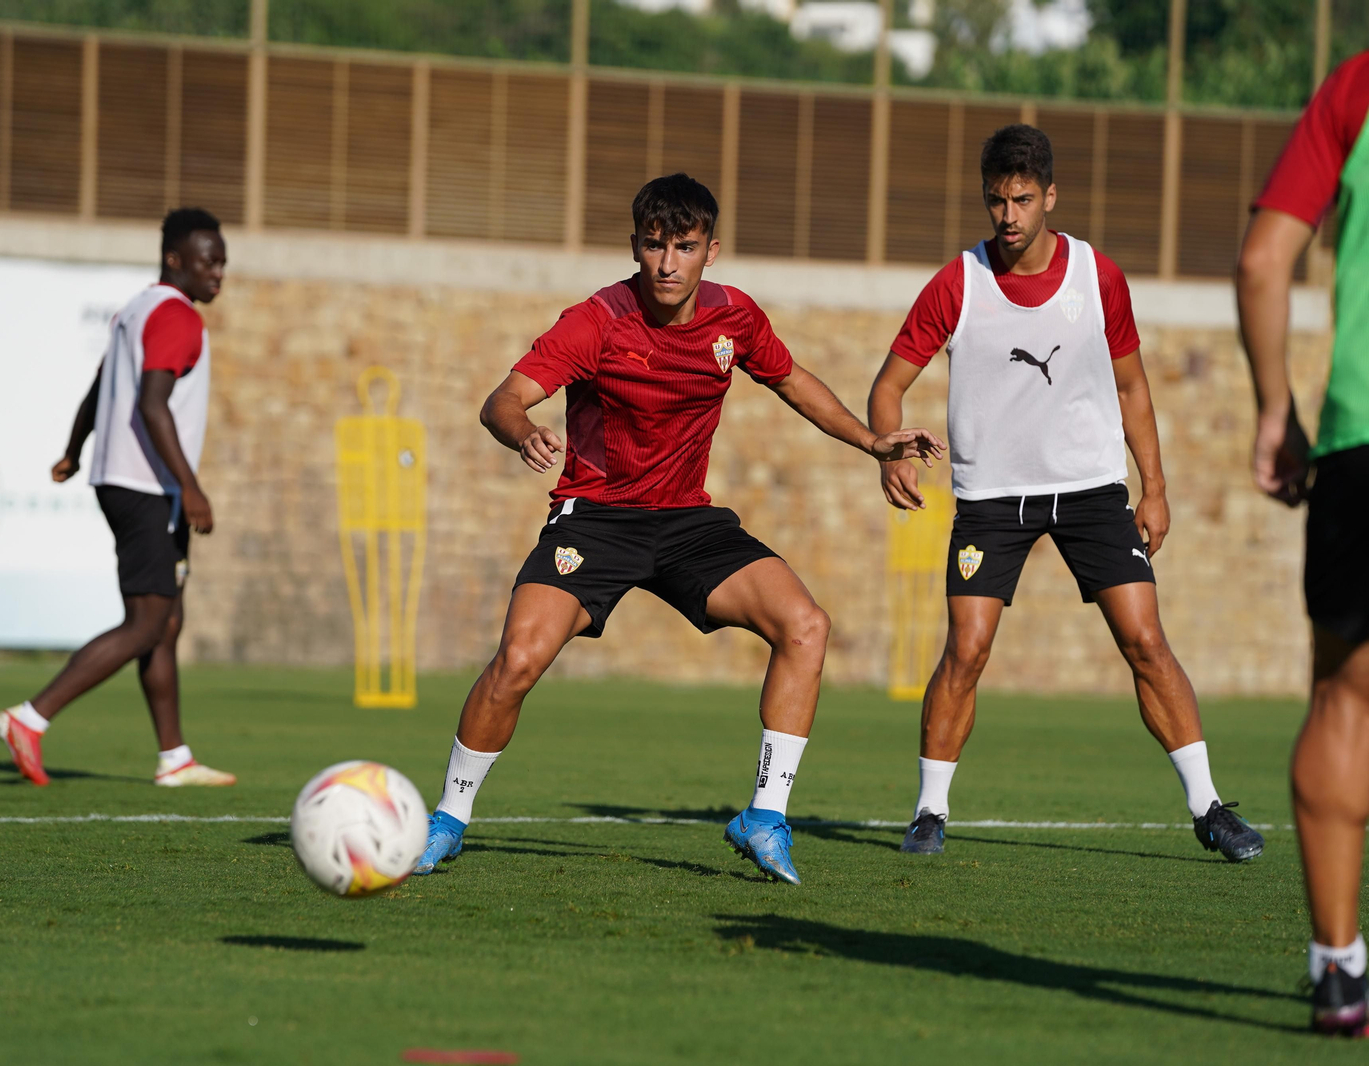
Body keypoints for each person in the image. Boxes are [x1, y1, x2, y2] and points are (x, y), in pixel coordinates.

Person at [411, 173, 943, 885]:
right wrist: (522, 430)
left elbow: (792, 381)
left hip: (687, 520)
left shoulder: (735, 320)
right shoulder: (597, 320)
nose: (668, 264)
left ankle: (765, 816)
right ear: (634, 247)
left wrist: (871, 442)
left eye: (684, 247)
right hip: (596, 519)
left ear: (710, 251)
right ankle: (447, 820)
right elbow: (502, 399)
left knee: (806, 626)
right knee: (517, 659)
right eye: (655, 246)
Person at [868, 124, 1263, 863]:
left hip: (1090, 490)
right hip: (991, 497)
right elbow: (888, 388)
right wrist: (888, 452)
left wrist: (1156, 486)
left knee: (1146, 642)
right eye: (996, 200)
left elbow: (1132, 385)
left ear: (1050, 196)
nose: (1008, 216)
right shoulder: (957, 283)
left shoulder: (1097, 276)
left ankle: (1210, 807)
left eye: (1022, 199)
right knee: (967, 650)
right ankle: (929, 811)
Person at [0, 208, 235, 789]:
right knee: (147, 621)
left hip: (125, 481)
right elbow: (152, 404)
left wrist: (75, 449)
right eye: (208, 261)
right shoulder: (177, 317)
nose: (218, 273)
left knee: (165, 621)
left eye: (223, 262)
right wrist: (191, 487)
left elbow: (101, 385)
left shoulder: (136, 309)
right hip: (148, 487)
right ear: (175, 259)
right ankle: (29, 718)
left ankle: (174, 758)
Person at [1236, 49, 1369, 1037]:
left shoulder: (1357, 82)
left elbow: (1261, 260)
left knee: (1344, 701)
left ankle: (1336, 969)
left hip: (1360, 444)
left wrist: (1276, 409)